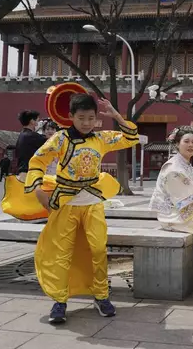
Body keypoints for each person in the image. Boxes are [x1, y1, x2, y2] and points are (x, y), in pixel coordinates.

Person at [23, 93, 139, 324]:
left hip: (93, 203)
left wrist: (116, 114)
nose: (86, 123)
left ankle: (101, 296)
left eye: (91, 118)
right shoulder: (60, 139)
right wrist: (37, 188)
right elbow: (37, 162)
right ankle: (59, 300)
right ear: (71, 117)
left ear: (97, 118)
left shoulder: (101, 139)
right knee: (62, 253)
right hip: (66, 203)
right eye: (82, 118)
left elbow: (131, 137)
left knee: (98, 251)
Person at [150, 126, 193, 263]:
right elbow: (187, 203)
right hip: (175, 216)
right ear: (177, 144)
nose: (190, 145)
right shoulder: (174, 168)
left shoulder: (188, 167)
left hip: (188, 213)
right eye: (186, 141)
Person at [15, 110, 48, 178]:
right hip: (28, 173)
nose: (38, 122)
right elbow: (49, 140)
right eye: (37, 120)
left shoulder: (22, 134)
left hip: (21, 171)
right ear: (32, 121)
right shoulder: (32, 136)